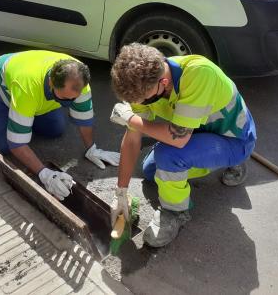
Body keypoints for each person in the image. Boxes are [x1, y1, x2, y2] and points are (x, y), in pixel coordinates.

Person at [109, 43, 257, 247]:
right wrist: (121, 193)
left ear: (163, 82)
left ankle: (175, 212)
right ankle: (192, 159)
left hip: (233, 139)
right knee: (151, 171)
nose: (140, 105)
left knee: (168, 157)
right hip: (197, 131)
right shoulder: (143, 86)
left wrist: (131, 119)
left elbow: (178, 138)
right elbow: (133, 138)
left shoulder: (199, 74)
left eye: (143, 101)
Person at [0, 50, 120, 200]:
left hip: (32, 89)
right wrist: (44, 173)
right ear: (51, 83)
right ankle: (4, 114)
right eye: (65, 98)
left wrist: (92, 148)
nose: (69, 102)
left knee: (55, 129)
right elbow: (16, 144)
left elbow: (84, 118)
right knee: (1, 146)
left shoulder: (79, 80)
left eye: (73, 98)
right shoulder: (27, 88)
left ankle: (22, 117)